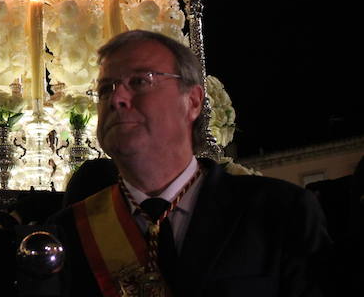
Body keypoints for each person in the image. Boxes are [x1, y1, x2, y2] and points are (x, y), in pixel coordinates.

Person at [57, 30, 331, 296]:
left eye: (140, 81)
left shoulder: (279, 213)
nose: (116, 98)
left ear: (193, 101)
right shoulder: (68, 233)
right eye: (106, 89)